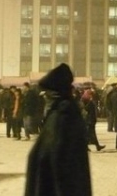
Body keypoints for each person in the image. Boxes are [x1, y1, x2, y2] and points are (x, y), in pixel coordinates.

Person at [24, 63, 91, 196]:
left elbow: (62, 164)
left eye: (47, 92)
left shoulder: (63, 115)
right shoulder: (60, 111)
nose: (45, 96)